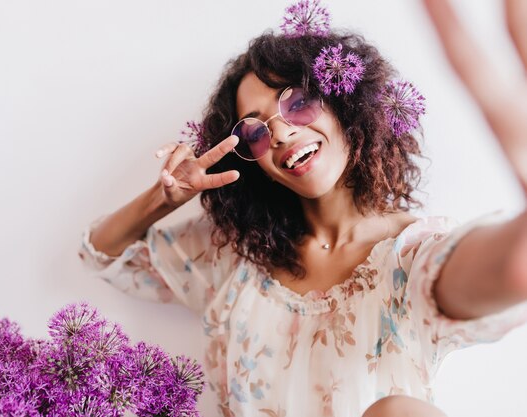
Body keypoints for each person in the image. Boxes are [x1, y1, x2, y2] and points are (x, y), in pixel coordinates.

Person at [77, 0, 527, 416]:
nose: (279, 134)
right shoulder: (232, 257)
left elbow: (504, 269)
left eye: (298, 103)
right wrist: (164, 198)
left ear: (347, 105)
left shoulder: (411, 257)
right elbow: (101, 252)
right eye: (254, 131)